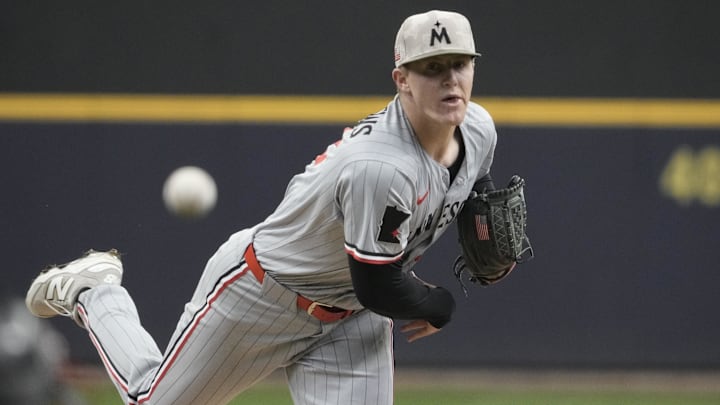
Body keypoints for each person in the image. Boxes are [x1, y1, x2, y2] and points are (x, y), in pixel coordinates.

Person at [26, 10, 504, 405]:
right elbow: (378, 282)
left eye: (460, 63)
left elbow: (469, 183)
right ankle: (95, 290)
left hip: (351, 319)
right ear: (402, 79)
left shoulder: (478, 129)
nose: (450, 79)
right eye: (432, 67)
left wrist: (481, 231)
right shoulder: (381, 167)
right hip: (264, 294)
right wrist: (438, 304)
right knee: (151, 402)